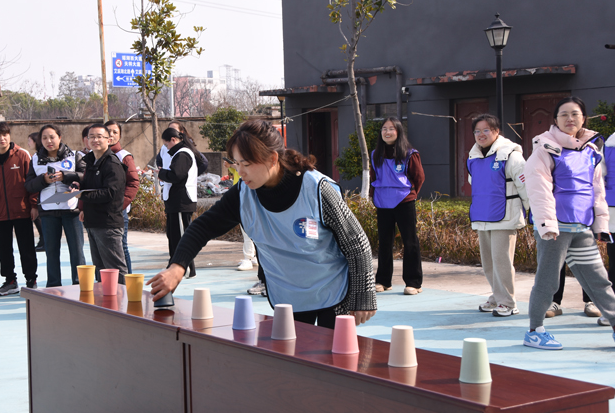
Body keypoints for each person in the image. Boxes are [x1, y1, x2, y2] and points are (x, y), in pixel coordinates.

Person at [148, 120, 377, 329]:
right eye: (237, 163)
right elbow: (203, 227)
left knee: (333, 356)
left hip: (333, 291)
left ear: (273, 159)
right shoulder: (243, 194)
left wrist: (364, 295)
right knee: (292, 355)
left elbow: (356, 243)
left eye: (247, 164)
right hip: (288, 296)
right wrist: (177, 266)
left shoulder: (317, 189)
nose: (240, 172)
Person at [523, 97, 615, 349]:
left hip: (581, 227)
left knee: (599, 281)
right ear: (555, 120)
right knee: (548, 281)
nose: (570, 119)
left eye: (575, 114)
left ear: (584, 118)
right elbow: (539, 189)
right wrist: (547, 225)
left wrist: (600, 226)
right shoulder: (545, 148)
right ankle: (534, 331)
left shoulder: (591, 151)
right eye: (563, 114)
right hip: (556, 229)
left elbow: (597, 191)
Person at [466, 114, 529, 317]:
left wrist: (534, 212)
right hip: (482, 216)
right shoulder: (473, 157)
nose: (481, 134)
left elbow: (526, 186)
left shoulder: (511, 155)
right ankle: (497, 296)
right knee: (489, 263)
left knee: (502, 262)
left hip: (505, 217)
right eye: (477, 131)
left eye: (486, 130)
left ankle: (508, 303)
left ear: (496, 131)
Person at [25, 124, 86, 287]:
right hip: (48, 211)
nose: (49, 141)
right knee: (51, 251)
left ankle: (79, 284)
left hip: (71, 209)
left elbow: (85, 176)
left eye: (52, 137)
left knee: (77, 250)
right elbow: (28, 185)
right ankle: (53, 286)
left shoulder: (74, 155)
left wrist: (66, 176)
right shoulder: (35, 159)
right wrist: (43, 180)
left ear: (59, 137)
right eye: (44, 138)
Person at [0, 121, 38, 295]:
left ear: (9, 136)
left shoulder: (22, 155)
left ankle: (31, 279)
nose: (2, 138)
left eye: (5, 135)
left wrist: (34, 204)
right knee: (3, 249)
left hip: (22, 209)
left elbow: (32, 181)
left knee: (26, 247)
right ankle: (10, 281)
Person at [369, 117, 425, 296]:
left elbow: (419, 177)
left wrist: (410, 194)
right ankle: (383, 281)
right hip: (382, 201)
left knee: (410, 241)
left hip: (404, 201)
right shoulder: (375, 154)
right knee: (384, 241)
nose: (387, 132)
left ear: (399, 131)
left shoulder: (410, 154)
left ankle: (413, 282)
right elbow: (373, 177)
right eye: (384, 129)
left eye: (391, 129)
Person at [78, 124, 127, 283]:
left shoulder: (112, 164)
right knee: (100, 270)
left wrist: (83, 195)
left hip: (108, 223)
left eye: (99, 136)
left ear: (109, 140)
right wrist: (78, 187)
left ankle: (124, 297)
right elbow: (90, 187)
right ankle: (105, 299)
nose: (95, 140)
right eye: (91, 136)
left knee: (115, 269)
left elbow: (110, 193)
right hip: (93, 222)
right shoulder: (91, 161)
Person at [158, 126, 198, 278]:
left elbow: (176, 175)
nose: (166, 148)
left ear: (173, 140)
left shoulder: (183, 154)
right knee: (174, 235)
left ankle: (185, 268)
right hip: (176, 201)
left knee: (181, 236)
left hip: (182, 201)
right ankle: (175, 265)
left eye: (166, 144)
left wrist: (162, 173)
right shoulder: (179, 153)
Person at [106, 120, 139, 274]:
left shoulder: (124, 156)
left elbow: (133, 183)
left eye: (115, 132)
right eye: (108, 131)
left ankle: (127, 280)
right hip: (101, 211)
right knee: (105, 249)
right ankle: (108, 282)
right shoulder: (96, 155)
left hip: (118, 211)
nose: (111, 135)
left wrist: (120, 205)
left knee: (121, 247)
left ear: (120, 135)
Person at [224, 158, 257, 272]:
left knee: (246, 227)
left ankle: (248, 258)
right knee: (249, 227)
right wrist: (230, 166)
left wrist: (233, 165)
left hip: (248, 195)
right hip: (241, 195)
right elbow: (235, 170)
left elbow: (247, 169)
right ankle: (253, 256)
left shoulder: (250, 160)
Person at [27, 132, 45, 252]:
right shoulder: (35, 156)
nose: (28, 143)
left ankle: (44, 241)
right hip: (36, 193)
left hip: (40, 195)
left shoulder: (38, 157)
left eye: (30, 141)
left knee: (38, 219)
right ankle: (42, 240)